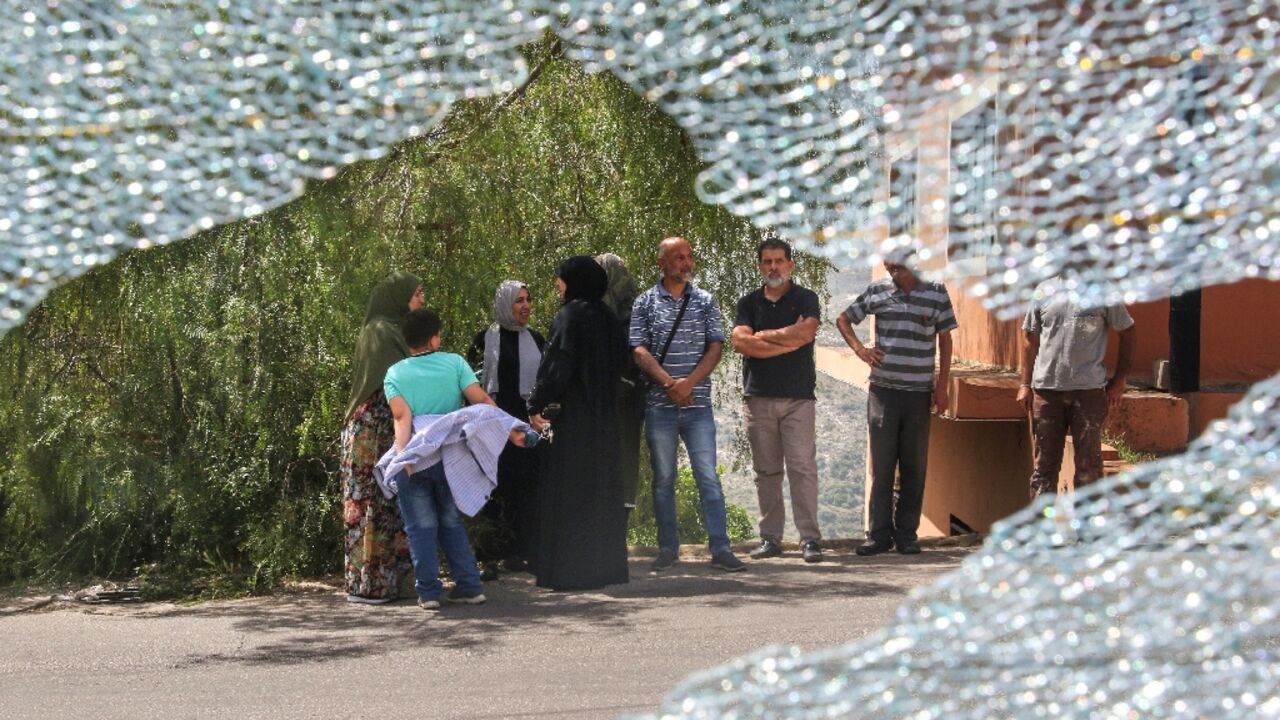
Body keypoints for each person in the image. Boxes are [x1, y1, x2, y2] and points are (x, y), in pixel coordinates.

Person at [385, 308, 523, 610]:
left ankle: (429, 593)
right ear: (435, 339)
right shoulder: (455, 364)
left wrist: (403, 457)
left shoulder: (395, 373)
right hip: (450, 458)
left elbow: (401, 416)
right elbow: (483, 401)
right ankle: (470, 586)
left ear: (407, 342)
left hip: (416, 458)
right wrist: (511, 429)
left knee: (420, 527)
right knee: (450, 521)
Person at [630, 237, 745, 573]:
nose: (686, 262)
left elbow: (715, 346)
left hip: (697, 406)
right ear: (661, 262)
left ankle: (721, 548)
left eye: (689, 256)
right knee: (664, 479)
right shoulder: (645, 303)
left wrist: (688, 385)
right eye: (678, 257)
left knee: (708, 476)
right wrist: (669, 385)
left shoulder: (705, 301)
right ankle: (668, 549)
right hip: (659, 405)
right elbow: (638, 349)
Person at [836, 252, 957, 556]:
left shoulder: (936, 291)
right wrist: (861, 350)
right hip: (883, 393)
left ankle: (906, 535)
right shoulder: (879, 290)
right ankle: (878, 536)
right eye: (889, 267)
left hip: (919, 393)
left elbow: (945, 339)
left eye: (898, 267)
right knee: (883, 466)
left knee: (914, 465)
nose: (892, 272)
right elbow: (844, 319)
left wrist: (942, 386)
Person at [526, 256, 630, 591]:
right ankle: (603, 569)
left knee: (569, 489)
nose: (557, 285)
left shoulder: (569, 316)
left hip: (573, 420)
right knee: (600, 488)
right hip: (606, 418)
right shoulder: (608, 317)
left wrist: (536, 404)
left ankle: (569, 571)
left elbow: (557, 365)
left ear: (574, 281)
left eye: (560, 279)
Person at [730, 238, 824, 563]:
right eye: (767, 262)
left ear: (790, 265)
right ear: (760, 266)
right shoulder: (748, 303)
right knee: (767, 472)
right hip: (758, 398)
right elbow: (740, 343)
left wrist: (762, 338)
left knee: (801, 468)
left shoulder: (805, 298)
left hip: (799, 398)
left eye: (779, 261)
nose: (773, 267)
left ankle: (810, 539)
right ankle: (770, 539)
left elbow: (807, 333)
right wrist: (787, 340)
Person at [339, 271, 423, 604]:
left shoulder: (392, 330)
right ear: (399, 297)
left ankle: (393, 583)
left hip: (384, 428)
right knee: (372, 504)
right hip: (373, 431)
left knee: (390, 504)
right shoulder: (382, 333)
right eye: (417, 294)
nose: (421, 300)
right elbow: (398, 384)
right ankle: (370, 584)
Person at [1017, 287, 1136, 498]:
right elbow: (1029, 339)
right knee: (1044, 469)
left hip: (1088, 393)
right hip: (1047, 393)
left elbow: (1128, 332)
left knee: (1088, 469)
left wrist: (1120, 379)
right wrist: (1024, 385)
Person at [467, 281, 545, 577]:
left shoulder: (537, 340)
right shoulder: (483, 340)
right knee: (492, 487)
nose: (525, 306)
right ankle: (487, 556)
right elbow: (471, 383)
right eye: (518, 301)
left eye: (528, 300)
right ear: (504, 304)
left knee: (525, 487)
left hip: (526, 426)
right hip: (492, 424)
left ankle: (518, 552)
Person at [596, 252, 644, 512]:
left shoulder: (636, 312)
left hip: (624, 400)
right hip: (602, 401)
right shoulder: (596, 309)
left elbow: (636, 353)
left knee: (624, 462)